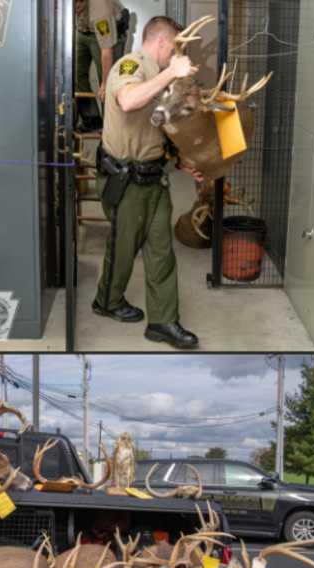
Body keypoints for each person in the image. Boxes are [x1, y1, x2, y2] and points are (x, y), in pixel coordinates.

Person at [92, 15, 203, 349]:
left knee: (161, 252)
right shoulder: (130, 66)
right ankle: (107, 302)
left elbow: (156, 126)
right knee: (123, 250)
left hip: (154, 179)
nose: (176, 57)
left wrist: (182, 161)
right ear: (162, 43)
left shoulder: (158, 77)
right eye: (176, 50)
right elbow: (128, 101)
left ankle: (163, 322)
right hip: (125, 181)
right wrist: (172, 72)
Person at [74, 0, 128, 131]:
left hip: (109, 35)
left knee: (109, 84)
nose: (73, 10)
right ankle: (92, 119)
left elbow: (106, 50)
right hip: (83, 30)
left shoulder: (100, 10)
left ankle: (109, 127)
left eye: (75, 6)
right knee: (75, 74)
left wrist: (104, 83)